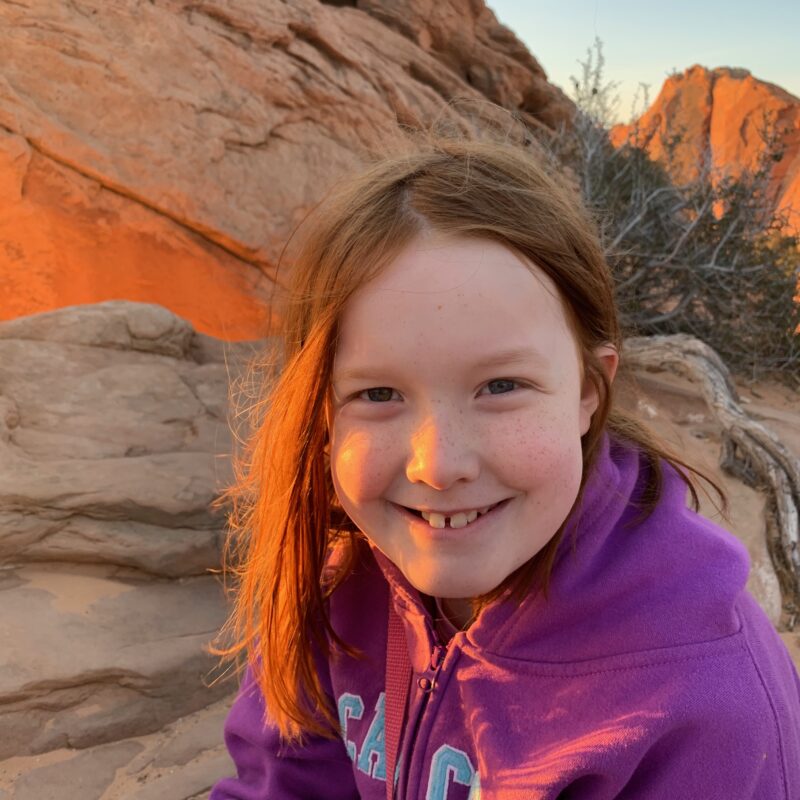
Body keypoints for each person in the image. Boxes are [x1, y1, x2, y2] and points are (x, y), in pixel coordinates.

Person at [209, 137, 800, 799]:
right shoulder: (340, 586)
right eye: (378, 395)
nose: (439, 466)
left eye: (500, 387)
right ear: (323, 413)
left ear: (586, 392)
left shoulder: (705, 703)